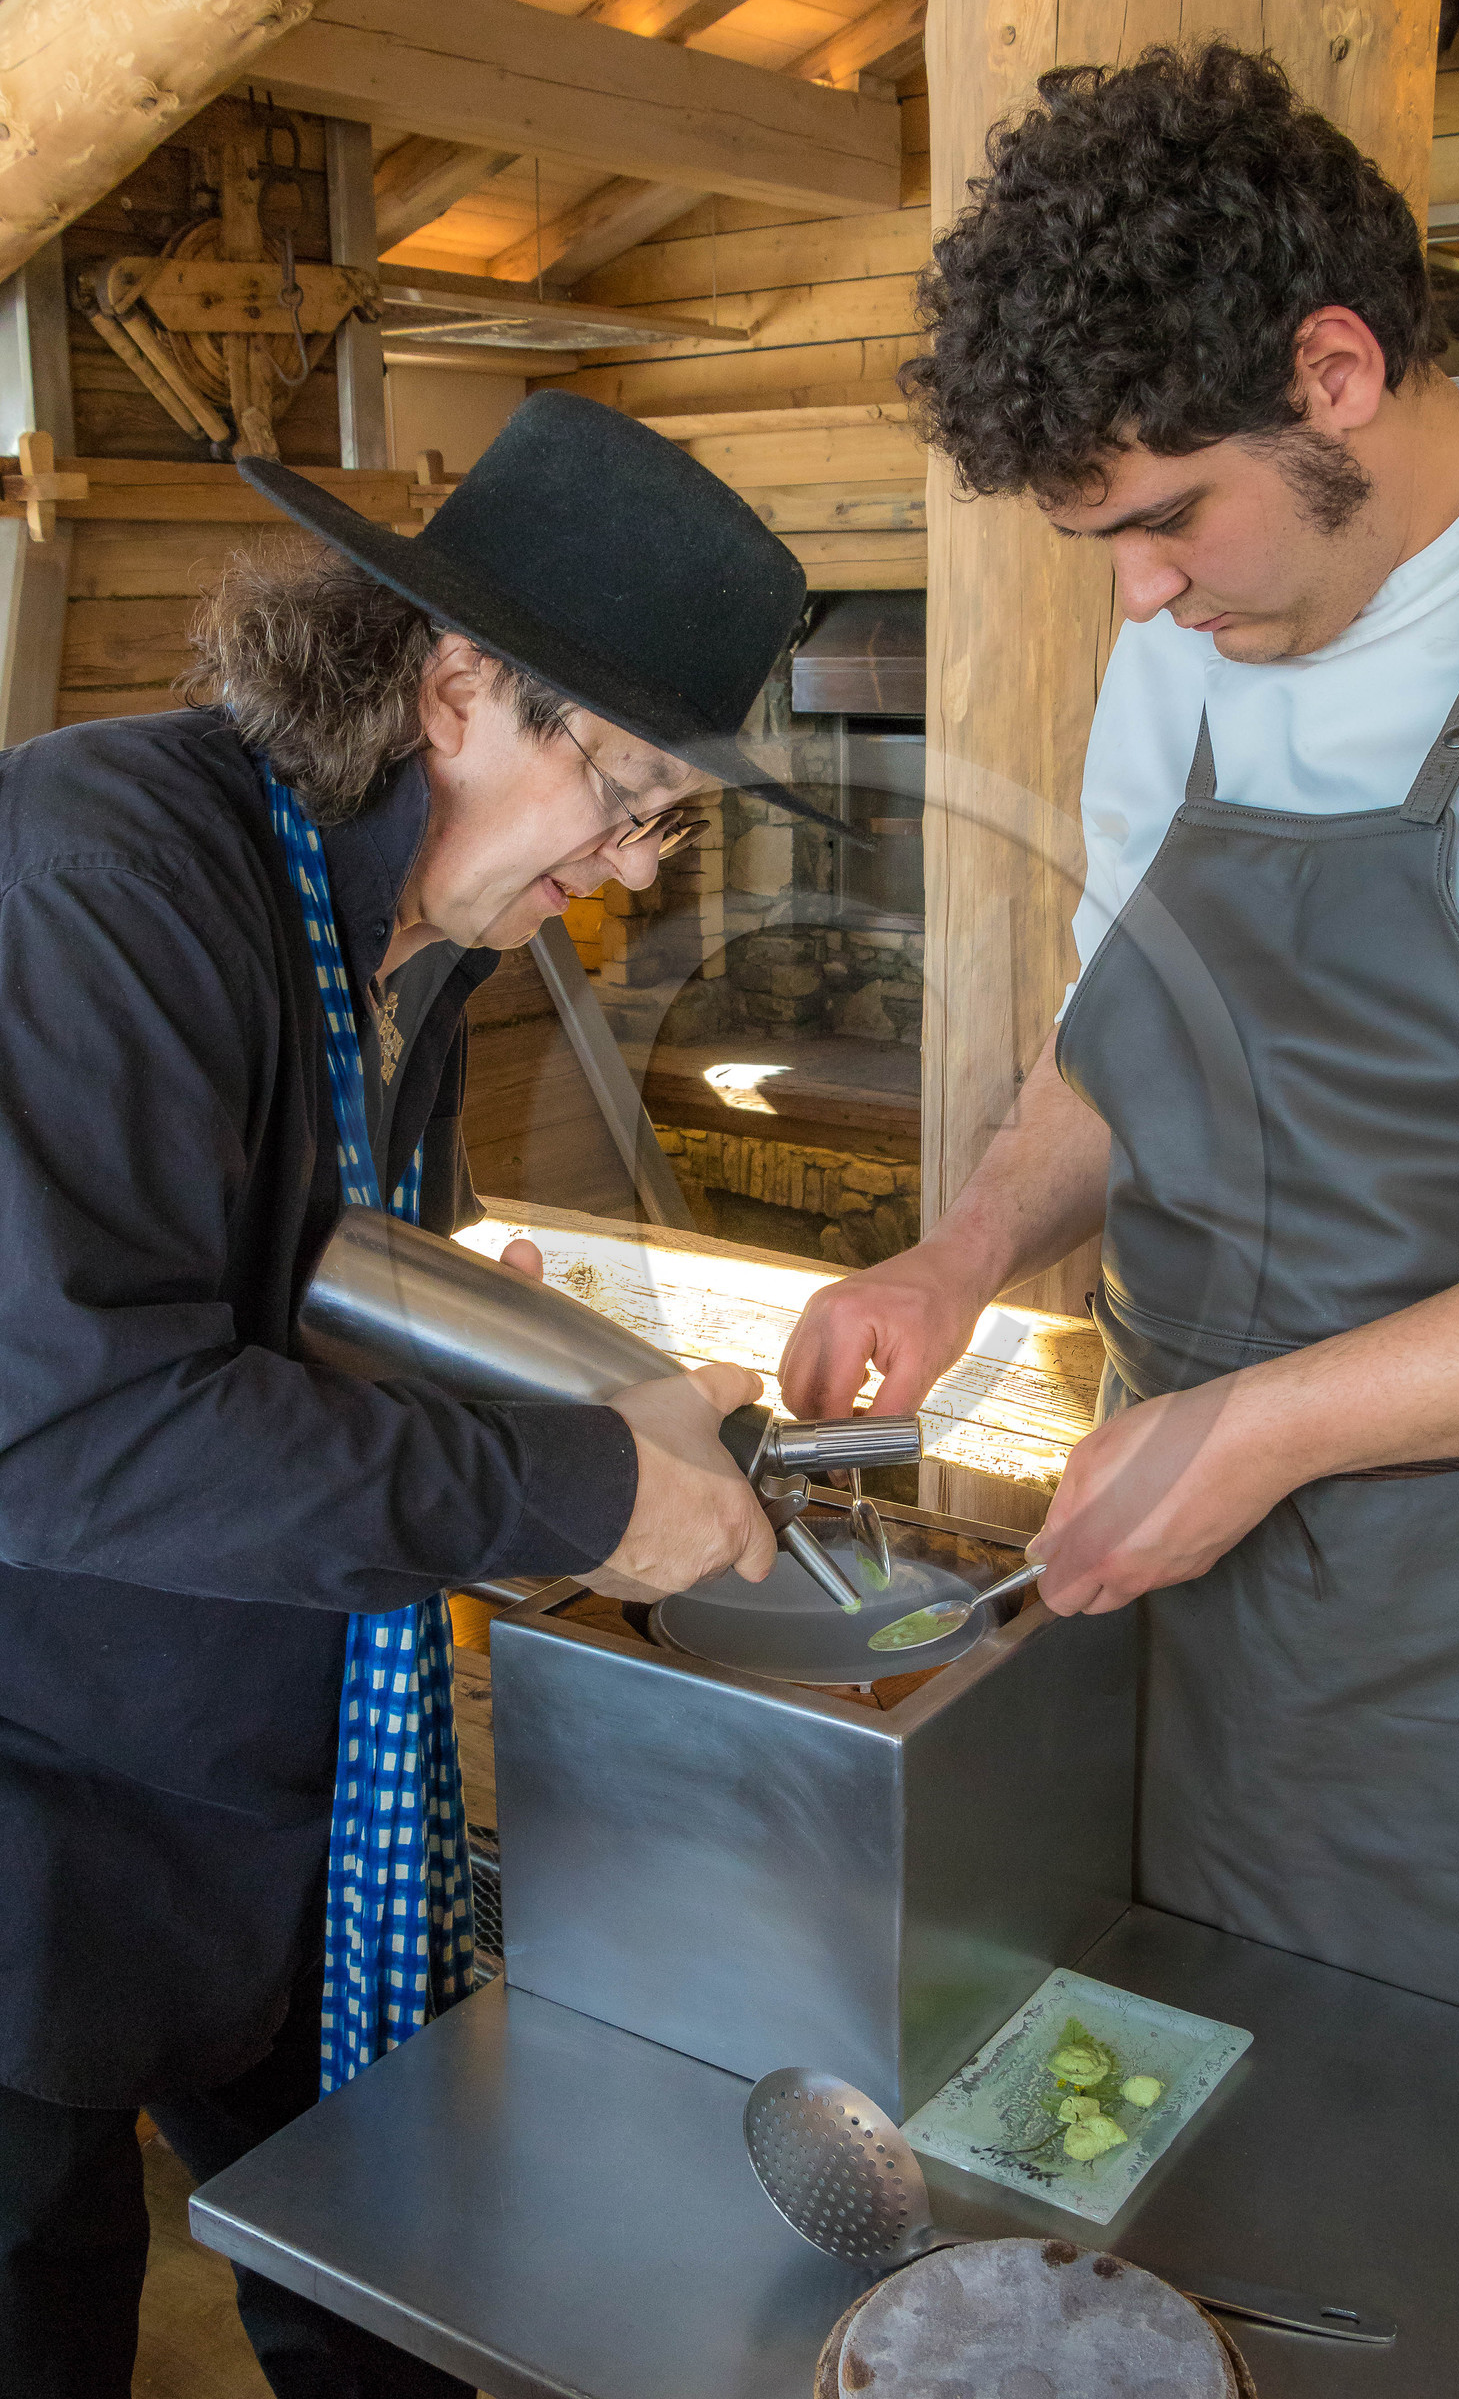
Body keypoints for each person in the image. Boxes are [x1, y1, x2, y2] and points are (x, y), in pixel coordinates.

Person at [0, 392, 838, 2394]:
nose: (624, 880)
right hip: (44, 1837)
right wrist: (571, 1491)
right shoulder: (98, 877)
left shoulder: (400, 944)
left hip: (297, 1804)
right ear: (459, 687)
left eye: (665, 830)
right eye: (628, 802)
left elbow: (306, 1294)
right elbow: (71, 1428)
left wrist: (492, 1337)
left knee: (395, 2315)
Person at [781, 46, 1459, 2051]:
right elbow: (1118, 1041)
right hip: (1174, 1571)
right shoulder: (1184, 650)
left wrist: (1266, 1429)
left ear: (1331, 371)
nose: (1135, 598)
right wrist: (957, 1252)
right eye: (1101, 548)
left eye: (1163, 520)